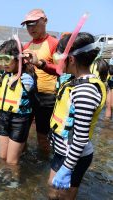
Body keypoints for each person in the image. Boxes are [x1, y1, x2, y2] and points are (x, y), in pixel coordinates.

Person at [48, 32, 106, 200]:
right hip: (63, 152)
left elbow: (80, 138)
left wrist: (67, 168)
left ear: (71, 59)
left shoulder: (85, 91)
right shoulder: (74, 81)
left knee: (64, 197)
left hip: (73, 157)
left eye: (59, 56)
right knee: (52, 193)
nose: (57, 60)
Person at [0, 40, 37, 186]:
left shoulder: (28, 76)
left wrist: (31, 89)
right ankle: (2, 181)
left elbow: (34, 102)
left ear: (18, 58)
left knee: (12, 162)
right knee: (3, 157)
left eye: (6, 59)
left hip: (20, 120)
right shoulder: (5, 76)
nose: (3, 64)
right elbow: (0, 97)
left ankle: (13, 187)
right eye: (0, 59)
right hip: (3, 118)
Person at [21, 8, 59, 155]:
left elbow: (62, 70)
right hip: (28, 95)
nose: (31, 28)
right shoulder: (26, 46)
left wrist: (41, 63)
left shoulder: (54, 43)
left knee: (43, 136)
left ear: (45, 21)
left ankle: (44, 165)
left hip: (47, 96)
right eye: (28, 25)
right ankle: (23, 163)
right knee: (22, 132)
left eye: (34, 23)